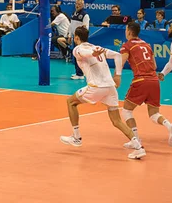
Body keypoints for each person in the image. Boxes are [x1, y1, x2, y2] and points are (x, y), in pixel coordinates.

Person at [59, 26, 146, 159]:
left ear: (76, 38)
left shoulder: (78, 49)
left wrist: (92, 54)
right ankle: (138, 146)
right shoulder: (97, 47)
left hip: (96, 86)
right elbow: (117, 55)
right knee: (116, 121)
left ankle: (76, 137)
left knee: (70, 102)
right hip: (110, 87)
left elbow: (84, 53)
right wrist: (118, 75)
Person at [117, 22, 172, 148]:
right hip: (154, 81)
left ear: (128, 31)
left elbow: (121, 63)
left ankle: (136, 140)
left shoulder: (126, 46)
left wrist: (116, 76)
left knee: (127, 110)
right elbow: (154, 66)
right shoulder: (147, 45)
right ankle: (169, 125)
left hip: (141, 80)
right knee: (154, 114)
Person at [65, 0, 90, 80]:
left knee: (80, 56)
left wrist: (80, 39)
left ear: (83, 5)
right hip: (74, 37)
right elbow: (71, 26)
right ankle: (78, 72)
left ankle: (80, 74)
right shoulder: (73, 14)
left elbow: (85, 28)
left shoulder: (85, 15)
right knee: (76, 56)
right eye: (76, 4)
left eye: (79, 4)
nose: (77, 5)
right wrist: (69, 35)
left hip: (80, 39)